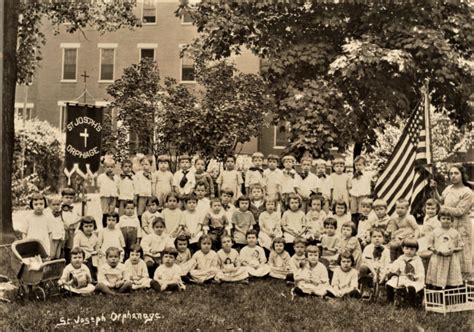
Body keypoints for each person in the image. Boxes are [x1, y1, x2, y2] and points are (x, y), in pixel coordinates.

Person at [431, 164, 473, 280]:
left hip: (461, 225)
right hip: (447, 224)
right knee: (446, 247)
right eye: (451, 174)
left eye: (456, 173)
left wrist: (443, 208)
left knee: (460, 252)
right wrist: (434, 189)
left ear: (462, 175)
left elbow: (460, 211)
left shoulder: (467, 192)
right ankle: (449, 281)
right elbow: (439, 200)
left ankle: (463, 282)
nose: (453, 176)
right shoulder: (448, 189)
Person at [425, 208, 463, 289]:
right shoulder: (435, 232)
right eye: (443, 218)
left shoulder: (455, 233)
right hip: (438, 258)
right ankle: (438, 293)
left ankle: (449, 294)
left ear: (452, 220)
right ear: (439, 219)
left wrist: (453, 250)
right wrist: (436, 251)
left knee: (451, 278)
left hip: (451, 259)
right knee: (438, 277)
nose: (446, 220)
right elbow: (429, 245)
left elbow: (461, 246)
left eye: (448, 219)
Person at [385, 239, 425, 307]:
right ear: (403, 249)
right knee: (389, 284)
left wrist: (414, 276)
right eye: (407, 248)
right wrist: (391, 269)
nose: (409, 251)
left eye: (412, 249)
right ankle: (390, 300)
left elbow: (421, 272)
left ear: (416, 251)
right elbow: (395, 265)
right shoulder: (401, 258)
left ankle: (412, 303)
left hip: (414, 280)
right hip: (403, 277)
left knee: (411, 287)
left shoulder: (417, 260)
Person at [359, 228, 391, 299]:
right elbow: (367, 262)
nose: (377, 239)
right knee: (363, 268)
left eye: (379, 236)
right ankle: (366, 288)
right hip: (370, 268)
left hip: (381, 270)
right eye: (374, 236)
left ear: (383, 239)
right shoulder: (368, 248)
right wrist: (374, 274)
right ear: (370, 238)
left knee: (389, 271)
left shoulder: (386, 250)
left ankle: (383, 291)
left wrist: (383, 275)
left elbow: (387, 264)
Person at [18, 192, 54, 256]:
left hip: (44, 244)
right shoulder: (28, 218)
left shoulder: (47, 218)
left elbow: (50, 233)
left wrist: (50, 248)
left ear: (45, 204)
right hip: (31, 244)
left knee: (43, 261)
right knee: (32, 261)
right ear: (32, 205)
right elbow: (24, 233)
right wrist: (25, 244)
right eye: (36, 204)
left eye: (41, 204)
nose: (39, 206)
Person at [73, 216, 99, 282]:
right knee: (89, 262)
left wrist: (98, 253)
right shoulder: (79, 235)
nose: (88, 228)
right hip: (81, 254)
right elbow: (75, 248)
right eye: (86, 226)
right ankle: (90, 279)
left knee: (97, 260)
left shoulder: (94, 236)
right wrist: (81, 256)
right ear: (82, 227)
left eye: (90, 226)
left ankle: (98, 277)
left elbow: (97, 247)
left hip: (92, 254)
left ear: (94, 226)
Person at [349, 155, 372, 224]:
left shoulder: (368, 175)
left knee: (362, 212)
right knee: (353, 212)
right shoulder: (352, 175)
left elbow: (374, 178)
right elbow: (350, 186)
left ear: (364, 165)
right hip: (354, 196)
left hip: (363, 195)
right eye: (356, 165)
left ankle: (361, 226)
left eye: (360, 165)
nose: (358, 167)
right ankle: (354, 227)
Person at [97, 159, 119, 227]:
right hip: (104, 196)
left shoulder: (116, 177)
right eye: (108, 167)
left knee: (112, 211)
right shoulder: (101, 176)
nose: (109, 169)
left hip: (113, 196)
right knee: (105, 212)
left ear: (114, 167)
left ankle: (112, 225)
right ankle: (104, 226)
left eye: (111, 167)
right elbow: (99, 185)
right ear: (104, 167)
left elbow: (117, 186)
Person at [60, 188, 81, 260]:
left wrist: (74, 223)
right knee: (61, 247)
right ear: (62, 198)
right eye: (66, 197)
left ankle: (69, 260)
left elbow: (79, 218)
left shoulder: (75, 208)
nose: (69, 200)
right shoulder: (59, 208)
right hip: (62, 230)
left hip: (72, 230)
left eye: (71, 198)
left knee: (70, 247)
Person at [134, 155, 154, 223]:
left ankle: (147, 223)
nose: (144, 166)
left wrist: (153, 194)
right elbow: (136, 185)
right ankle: (140, 223)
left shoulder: (152, 174)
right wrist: (136, 194)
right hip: (141, 195)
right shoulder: (138, 174)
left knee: (148, 210)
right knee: (140, 211)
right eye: (142, 164)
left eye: (146, 164)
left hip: (149, 195)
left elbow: (152, 185)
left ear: (150, 165)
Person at [47, 195, 65, 259]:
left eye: (58, 204)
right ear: (49, 205)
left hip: (59, 237)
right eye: (54, 205)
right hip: (52, 237)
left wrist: (63, 236)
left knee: (58, 254)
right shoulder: (47, 215)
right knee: (51, 254)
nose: (56, 206)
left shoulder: (60, 214)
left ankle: (56, 266)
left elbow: (61, 225)